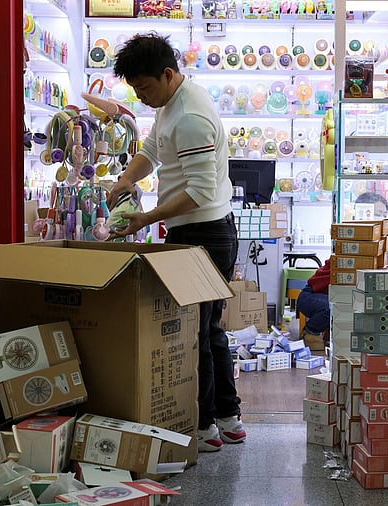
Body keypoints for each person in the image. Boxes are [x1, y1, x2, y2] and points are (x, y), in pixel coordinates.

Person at [107, 33, 243, 453]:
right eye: (136, 90)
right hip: (195, 230)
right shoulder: (171, 103)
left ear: (167, 74)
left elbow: (200, 192)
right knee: (208, 328)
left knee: (196, 333)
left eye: (145, 88)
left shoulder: (191, 117)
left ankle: (204, 428)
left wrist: (145, 219)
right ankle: (228, 416)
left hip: (204, 234)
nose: (142, 97)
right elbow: (152, 147)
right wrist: (128, 178)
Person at [296, 192, 388, 349]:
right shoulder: (355, 247)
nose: (381, 218)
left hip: (332, 296)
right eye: (377, 213)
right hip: (311, 296)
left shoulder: (374, 247)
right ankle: (309, 332)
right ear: (363, 212)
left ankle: (329, 337)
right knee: (335, 307)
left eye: (384, 215)